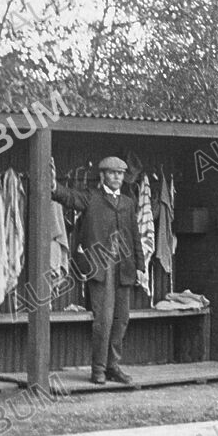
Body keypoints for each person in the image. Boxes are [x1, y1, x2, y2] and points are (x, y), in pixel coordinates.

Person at [52, 156, 145, 385]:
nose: (117, 177)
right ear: (102, 175)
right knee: (103, 321)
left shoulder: (128, 202)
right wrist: (53, 186)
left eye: (120, 174)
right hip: (100, 269)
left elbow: (135, 237)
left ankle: (113, 366)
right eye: (112, 173)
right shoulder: (91, 197)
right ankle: (99, 370)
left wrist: (141, 267)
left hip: (124, 269)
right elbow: (70, 198)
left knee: (121, 319)